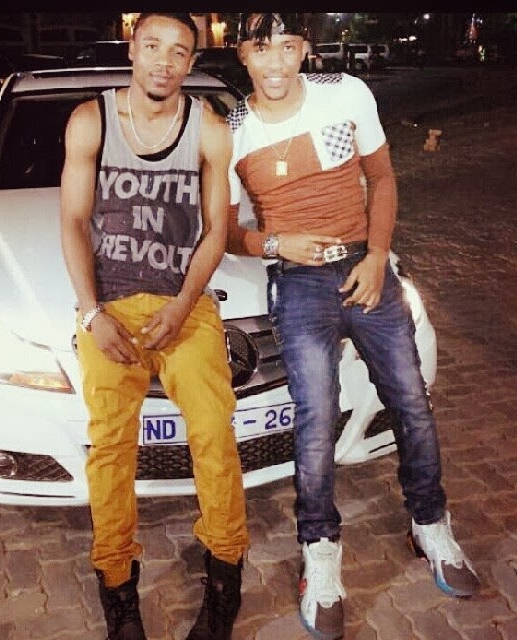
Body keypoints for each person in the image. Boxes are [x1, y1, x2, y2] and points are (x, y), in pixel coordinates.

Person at [226, 13, 480, 640]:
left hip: (367, 269)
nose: (277, 62)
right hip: (297, 282)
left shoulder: (345, 93)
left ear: (304, 49)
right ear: (242, 55)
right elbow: (227, 230)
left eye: (288, 46)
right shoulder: (231, 130)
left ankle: (431, 524)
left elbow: (382, 177)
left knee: (411, 402)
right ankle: (320, 551)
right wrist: (275, 243)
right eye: (262, 48)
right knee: (315, 420)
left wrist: (376, 256)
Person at [60, 13, 249, 640]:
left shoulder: (209, 129)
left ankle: (224, 575)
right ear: (133, 51)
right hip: (109, 310)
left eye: (178, 51)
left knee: (214, 434)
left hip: (183, 305)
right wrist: (92, 311)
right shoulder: (91, 120)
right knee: (111, 448)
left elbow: (216, 230)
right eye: (152, 47)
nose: (163, 62)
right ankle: (118, 587)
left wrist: (183, 303)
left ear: (191, 61)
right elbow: (73, 220)